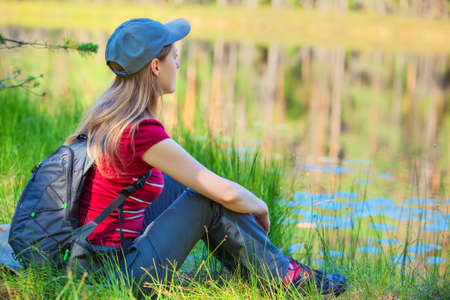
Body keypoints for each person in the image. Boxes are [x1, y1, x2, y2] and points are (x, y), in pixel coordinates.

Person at [65, 17, 347, 296]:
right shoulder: (139, 130)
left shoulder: (109, 113)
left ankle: (259, 268)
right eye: (174, 57)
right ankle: (283, 276)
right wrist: (260, 206)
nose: (177, 64)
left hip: (91, 261)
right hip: (115, 275)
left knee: (180, 187)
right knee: (208, 198)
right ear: (154, 66)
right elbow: (224, 193)